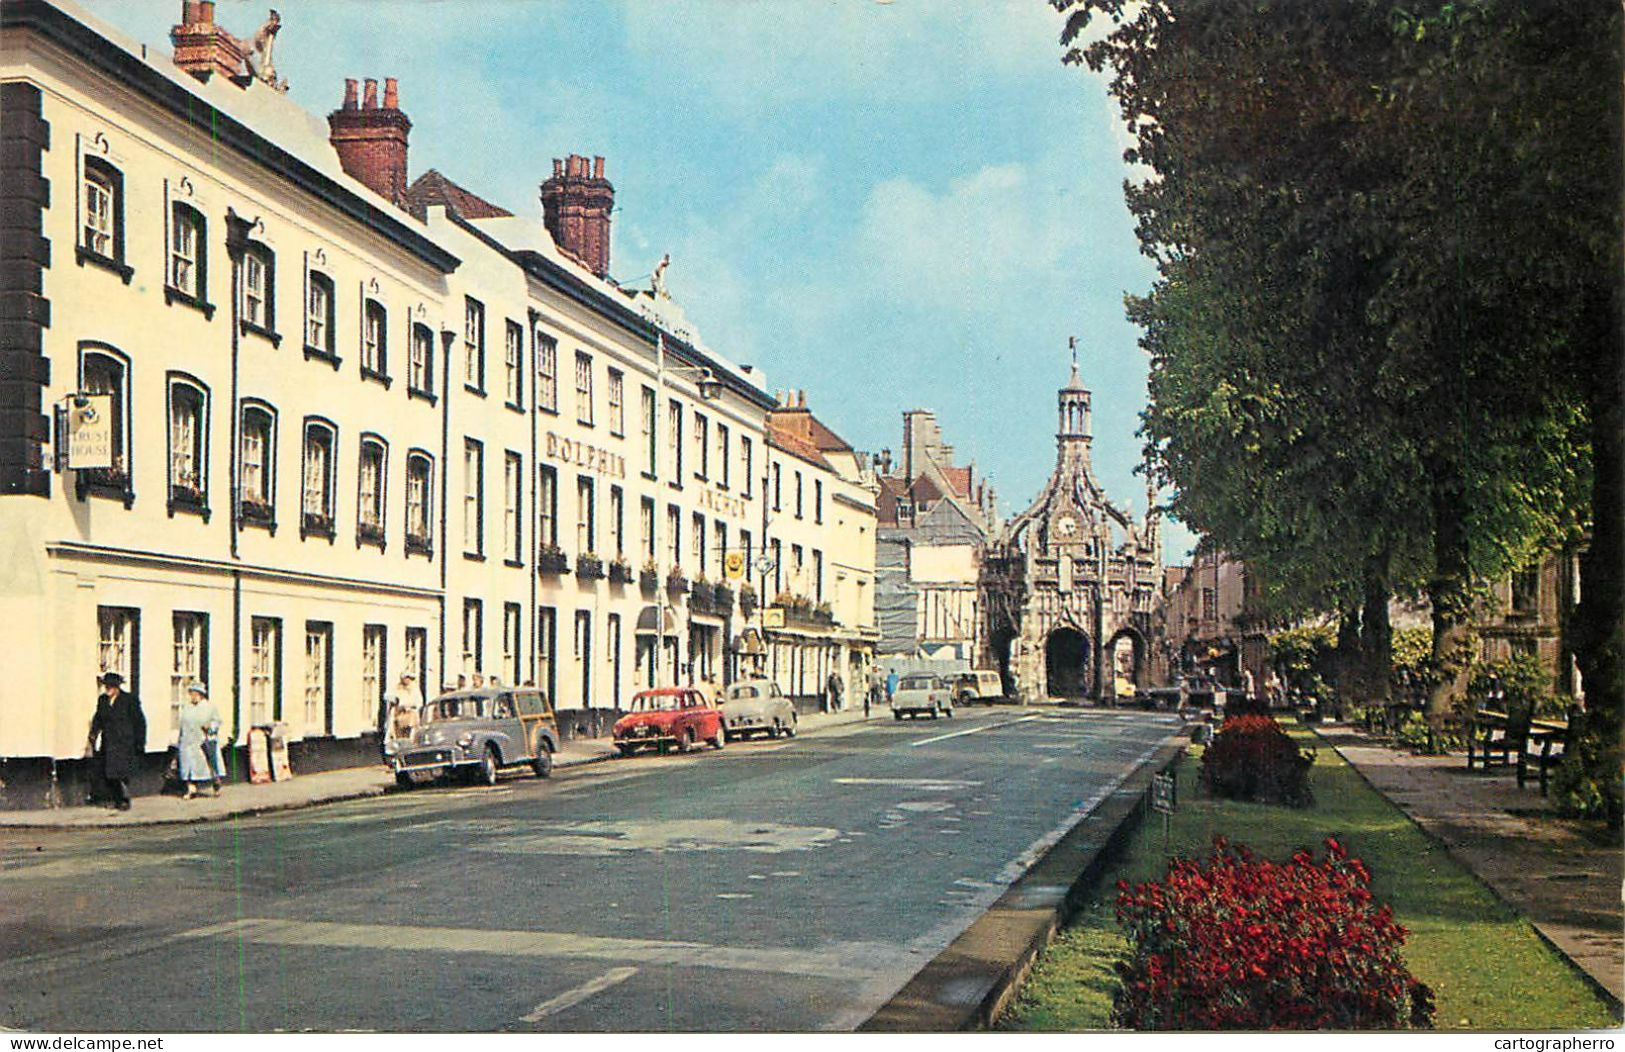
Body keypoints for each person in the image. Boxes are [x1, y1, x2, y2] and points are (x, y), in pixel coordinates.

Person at [85, 671, 145, 811]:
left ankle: (123, 799)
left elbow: (139, 722)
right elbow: (98, 719)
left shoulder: (129, 700)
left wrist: (140, 743)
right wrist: (93, 734)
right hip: (109, 742)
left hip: (125, 743)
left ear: (117, 687)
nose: (108, 690)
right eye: (106, 687)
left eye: (111, 687)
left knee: (121, 773)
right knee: (109, 773)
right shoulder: (103, 701)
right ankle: (117, 798)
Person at [176, 682, 222, 798]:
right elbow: (182, 725)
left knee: (208, 766)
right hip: (187, 742)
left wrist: (210, 727)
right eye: (191, 693)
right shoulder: (187, 707)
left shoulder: (209, 707)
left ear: (201, 695)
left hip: (202, 741)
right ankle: (191, 789)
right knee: (188, 767)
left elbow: (217, 722)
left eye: (195, 694)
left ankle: (216, 783)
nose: (193, 696)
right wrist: (180, 740)